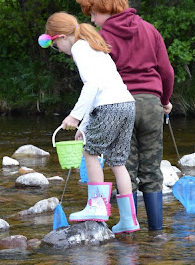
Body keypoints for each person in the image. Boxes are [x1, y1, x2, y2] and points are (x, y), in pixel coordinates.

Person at [76, 0, 174, 231]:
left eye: (93, 14)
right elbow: (167, 72)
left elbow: (97, 80)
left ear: (104, 9)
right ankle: (156, 232)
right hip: (152, 104)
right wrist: (164, 100)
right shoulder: (150, 29)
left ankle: (127, 227)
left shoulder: (101, 38)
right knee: (152, 171)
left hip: (121, 105)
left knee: (124, 166)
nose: (92, 20)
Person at [40, 12, 139, 234]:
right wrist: (84, 126)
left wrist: (74, 117)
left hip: (108, 107)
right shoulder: (92, 45)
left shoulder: (79, 48)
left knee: (90, 152)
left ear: (60, 37)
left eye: (56, 46)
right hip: (126, 104)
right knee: (117, 162)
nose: (60, 50)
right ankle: (128, 220)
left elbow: (92, 86)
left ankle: (97, 206)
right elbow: (99, 87)